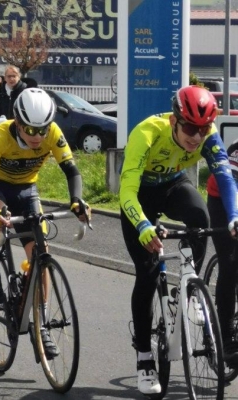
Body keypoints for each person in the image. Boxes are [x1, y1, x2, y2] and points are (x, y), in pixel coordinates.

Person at [119, 85, 238, 396]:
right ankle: (145, 358)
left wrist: (234, 215)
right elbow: (127, 190)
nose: (197, 137)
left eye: (203, 129)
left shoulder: (208, 135)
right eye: (190, 128)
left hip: (173, 186)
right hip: (140, 194)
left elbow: (225, 177)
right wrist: (143, 225)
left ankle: (187, 289)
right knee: (146, 273)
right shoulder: (147, 132)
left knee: (201, 219)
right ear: (175, 120)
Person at [0, 87, 90, 358]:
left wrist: (76, 200)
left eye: (43, 129)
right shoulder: (0, 134)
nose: (38, 136)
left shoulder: (52, 133)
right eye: (31, 130)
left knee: (41, 254)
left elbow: (71, 169)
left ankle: (41, 322)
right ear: (17, 121)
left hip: (27, 189)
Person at [207, 139, 238, 367]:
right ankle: (226, 338)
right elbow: (231, 186)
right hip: (223, 201)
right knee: (229, 265)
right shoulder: (236, 149)